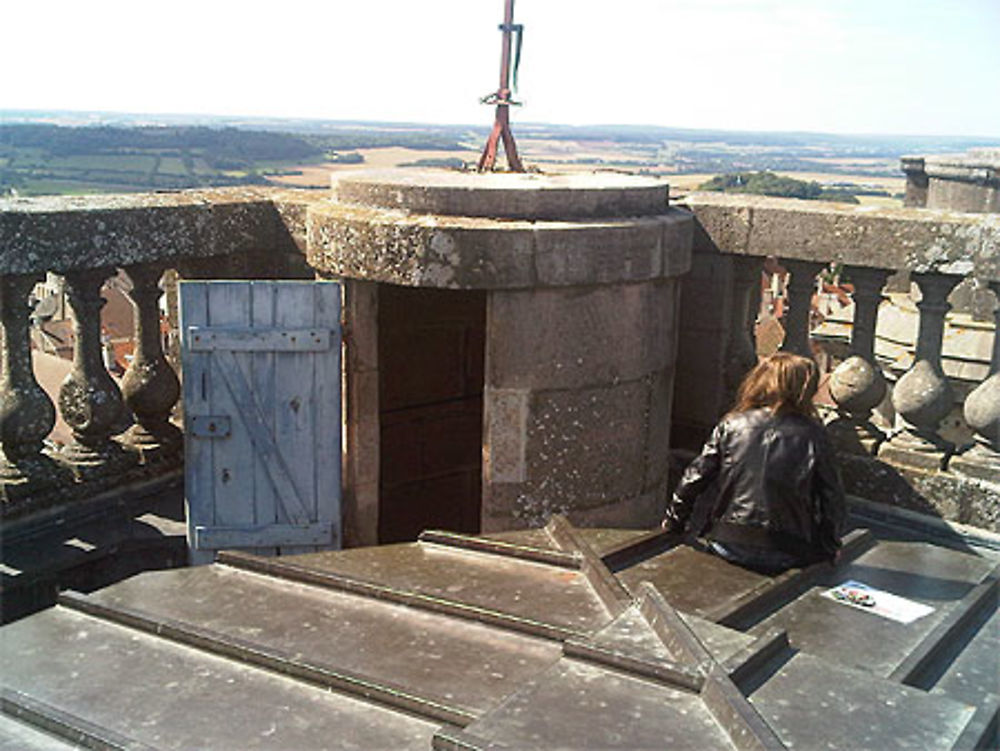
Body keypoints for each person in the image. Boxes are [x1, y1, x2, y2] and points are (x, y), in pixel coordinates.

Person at [662, 352, 845, 574]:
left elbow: (694, 478)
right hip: (787, 549)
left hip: (726, 542)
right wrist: (830, 546)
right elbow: (831, 498)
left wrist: (675, 523)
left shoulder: (732, 425)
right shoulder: (814, 435)